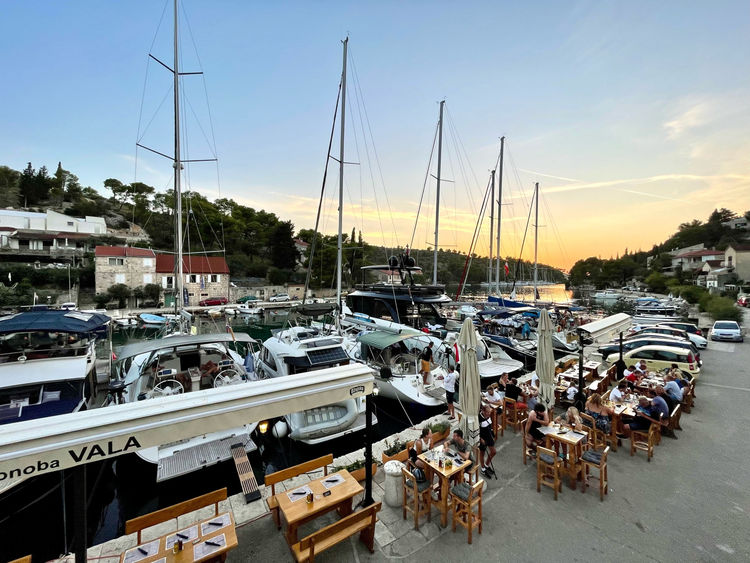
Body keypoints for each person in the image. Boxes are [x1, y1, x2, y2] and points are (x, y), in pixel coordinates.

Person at [478, 404, 496, 474]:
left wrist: (492, 435)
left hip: (489, 436)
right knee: (482, 453)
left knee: (493, 452)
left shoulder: (488, 416)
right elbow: (476, 429)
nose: (488, 413)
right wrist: (480, 439)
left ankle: (486, 465)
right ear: (482, 411)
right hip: (482, 438)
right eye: (487, 412)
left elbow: (490, 426)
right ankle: (483, 469)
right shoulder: (479, 418)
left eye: (489, 412)